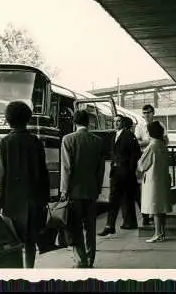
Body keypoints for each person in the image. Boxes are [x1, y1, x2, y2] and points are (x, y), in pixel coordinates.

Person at [0, 101, 50, 268]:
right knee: (30, 242)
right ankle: (29, 272)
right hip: (33, 201)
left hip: (11, 202)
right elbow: (43, 173)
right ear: (28, 119)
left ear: (7, 119)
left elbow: (0, 174)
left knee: (13, 242)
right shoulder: (36, 141)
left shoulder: (5, 143)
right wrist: (45, 199)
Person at [60, 110, 105, 268]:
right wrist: (98, 187)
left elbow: (66, 168)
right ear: (88, 123)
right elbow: (101, 170)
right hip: (91, 190)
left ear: (74, 122)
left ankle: (80, 260)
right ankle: (90, 258)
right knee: (90, 227)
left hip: (74, 192)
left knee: (75, 226)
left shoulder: (68, 140)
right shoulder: (98, 141)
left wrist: (64, 191)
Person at [98, 115, 141, 236]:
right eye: (114, 121)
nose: (116, 123)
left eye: (118, 121)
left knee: (115, 198)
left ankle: (110, 225)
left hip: (124, 171)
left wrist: (131, 168)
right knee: (128, 196)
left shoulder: (128, 134)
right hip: (117, 171)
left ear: (123, 122)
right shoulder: (114, 136)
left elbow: (135, 153)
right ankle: (130, 222)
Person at [137, 121, 172, 243]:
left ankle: (157, 233)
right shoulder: (162, 145)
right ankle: (162, 232)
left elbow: (142, 165)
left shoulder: (152, 146)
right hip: (162, 179)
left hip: (153, 180)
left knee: (155, 207)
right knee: (161, 207)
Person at [134, 104, 168, 226]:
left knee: (154, 190)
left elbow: (166, 140)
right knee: (146, 190)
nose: (146, 115)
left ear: (153, 113)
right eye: (144, 113)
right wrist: (150, 140)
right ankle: (147, 216)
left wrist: (151, 141)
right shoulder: (139, 126)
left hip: (156, 156)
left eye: (148, 112)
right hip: (145, 156)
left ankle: (155, 216)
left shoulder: (160, 125)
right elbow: (137, 142)